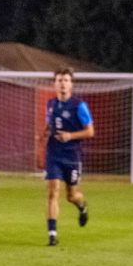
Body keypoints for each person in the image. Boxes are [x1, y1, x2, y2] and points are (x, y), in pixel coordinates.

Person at [44, 68, 93, 246]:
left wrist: (70, 136)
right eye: (59, 80)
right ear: (54, 84)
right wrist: (42, 135)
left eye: (66, 80)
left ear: (71, 84)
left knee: (71, 196)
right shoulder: (50, 104)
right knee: (52, 192)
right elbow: (49, 125)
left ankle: (82, 206)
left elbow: (90, 131)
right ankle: (52, 234)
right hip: (54, 153)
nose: (62, 83)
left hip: (72, 155)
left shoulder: (79, 106)